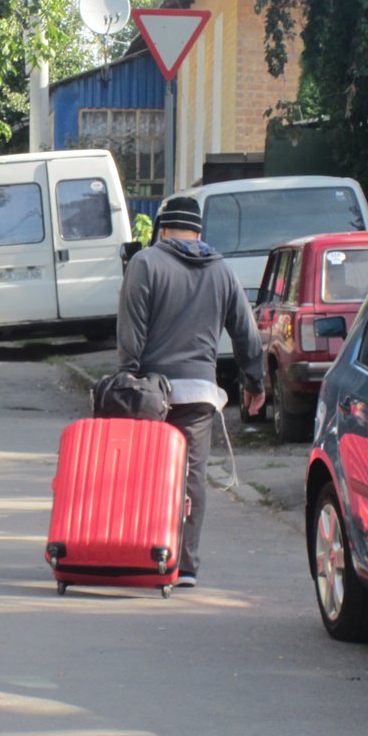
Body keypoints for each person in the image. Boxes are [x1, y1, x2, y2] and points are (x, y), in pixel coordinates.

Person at [116, 195, 265, 588]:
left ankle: (144, 553)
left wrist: (127, 377)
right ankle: (185, 565)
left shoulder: (144, 264)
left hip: (150, 392)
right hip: (200, 392)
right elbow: (246, 334)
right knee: (191, 476)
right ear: (198, 232)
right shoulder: (222, 270)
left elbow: (131, 333)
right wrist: (256, 382)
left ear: (162, 230)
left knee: (146, 474)